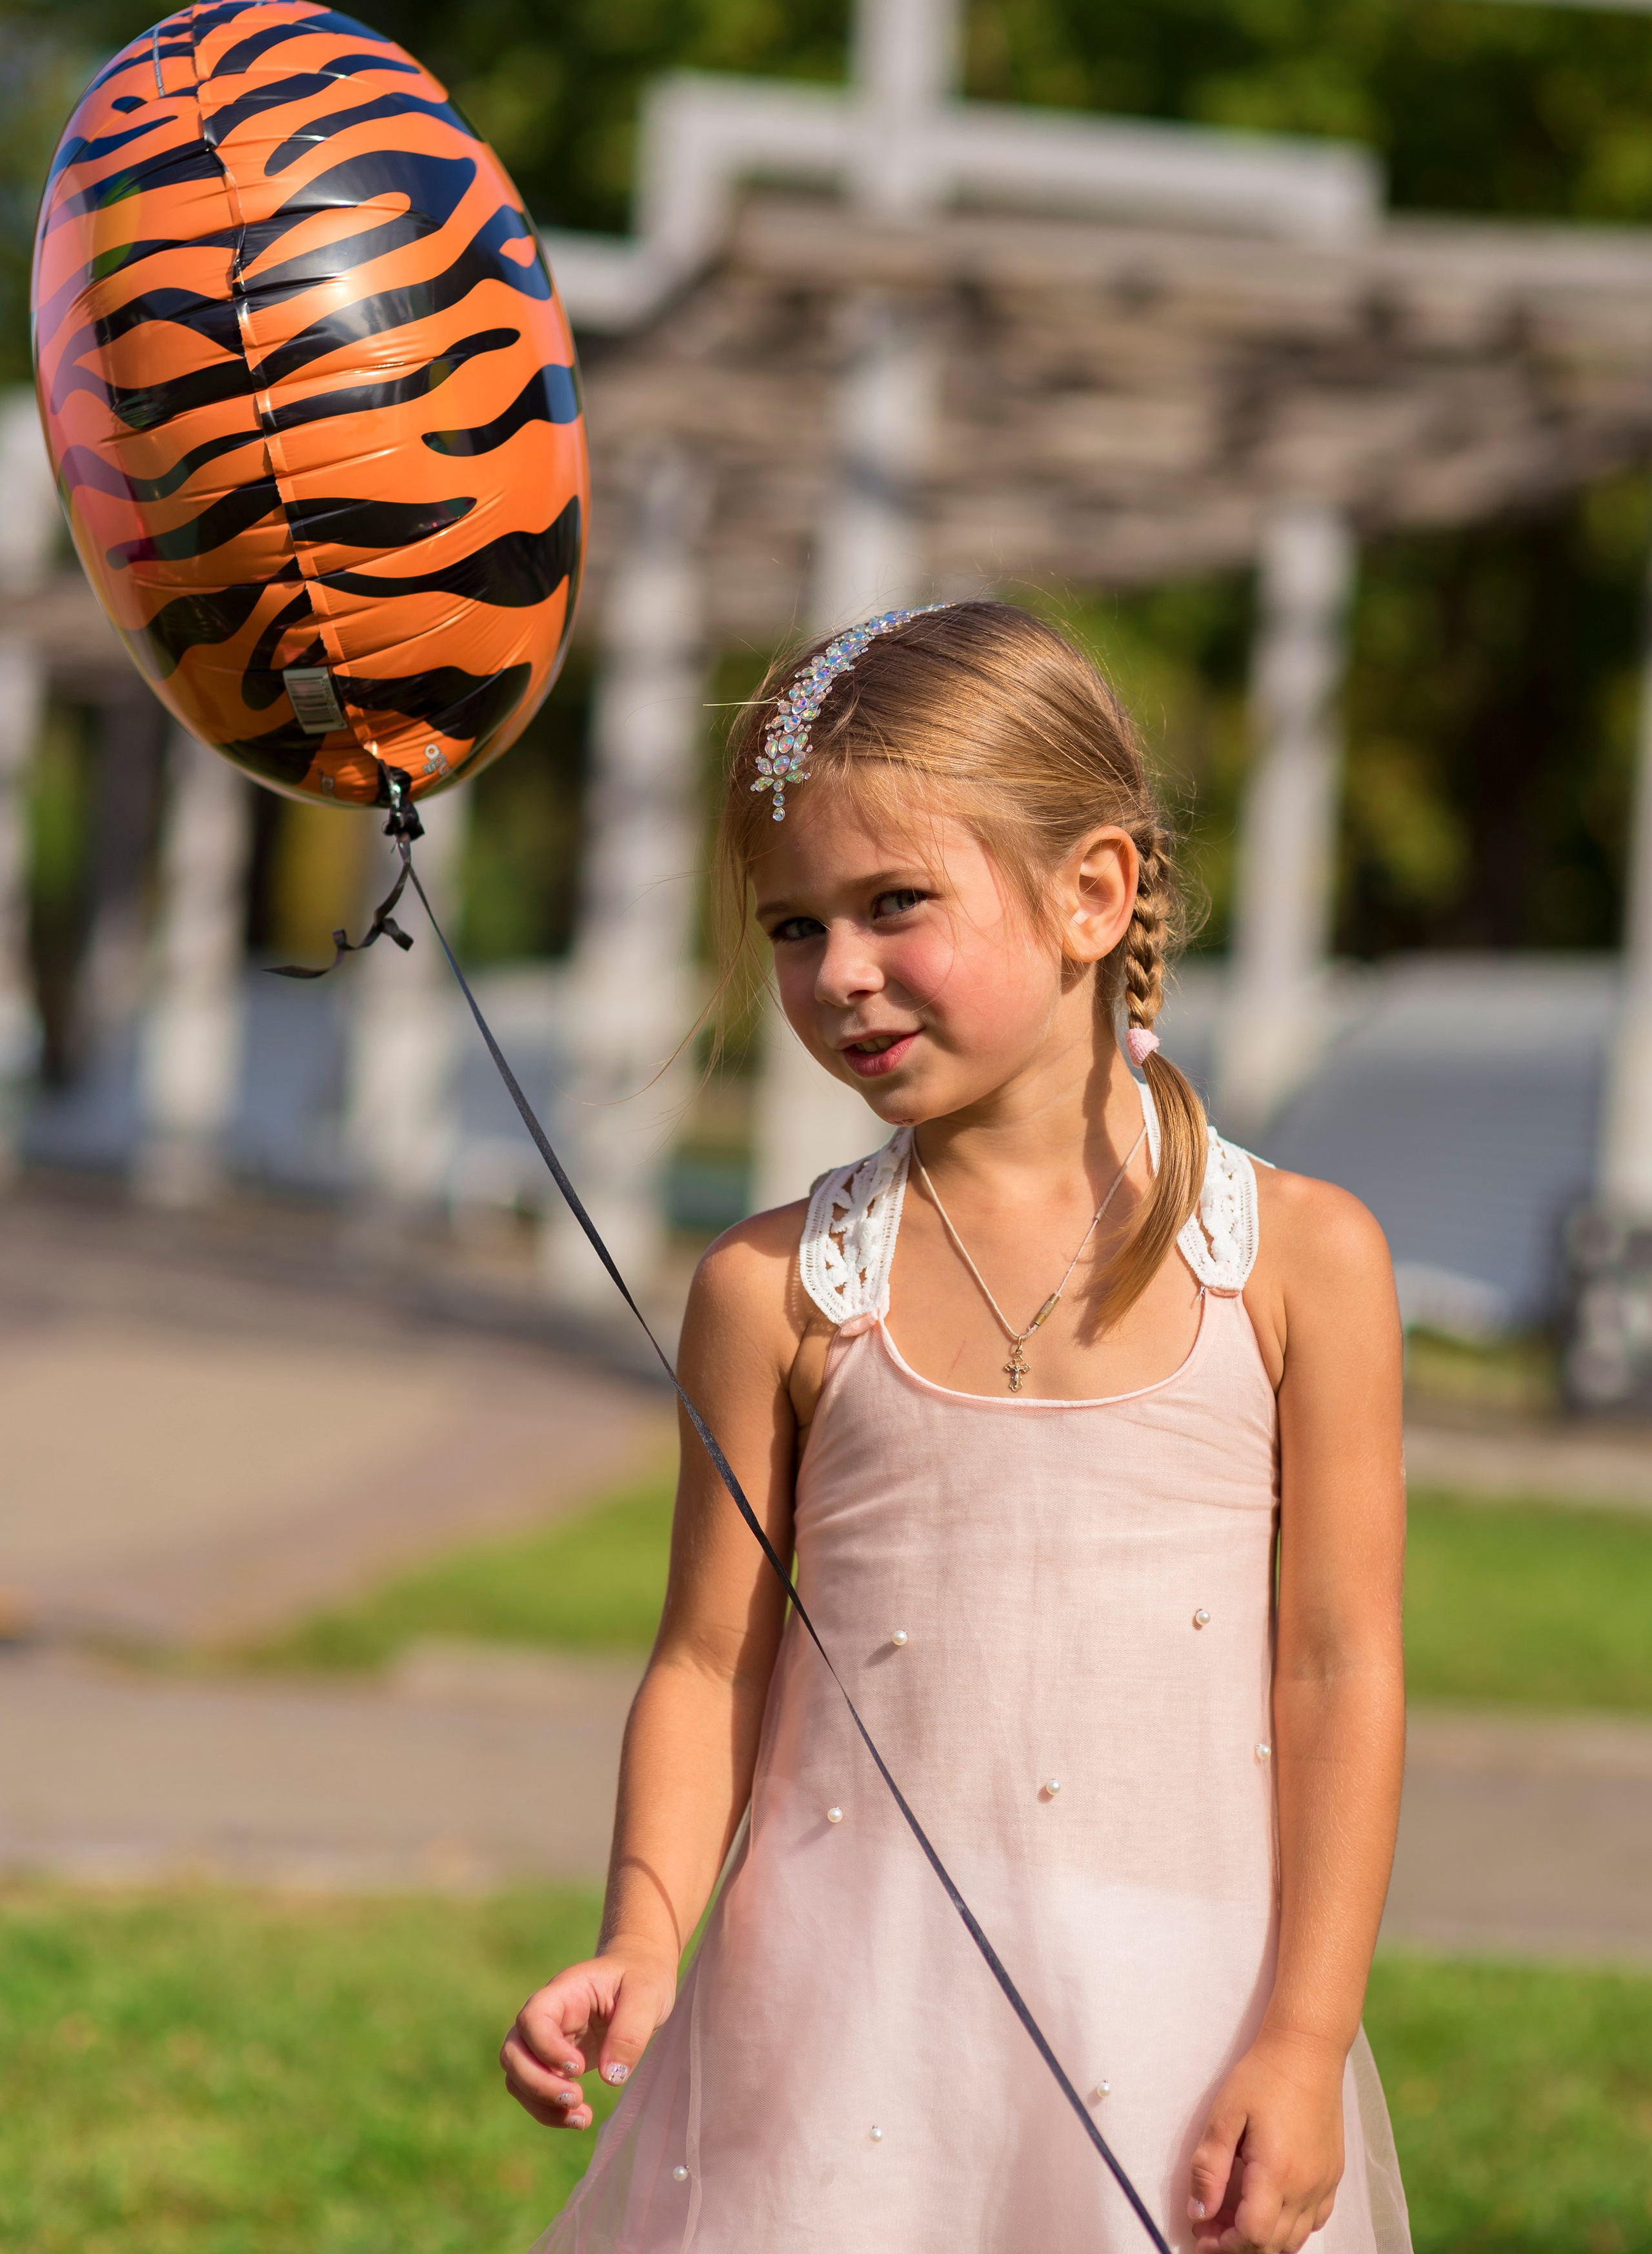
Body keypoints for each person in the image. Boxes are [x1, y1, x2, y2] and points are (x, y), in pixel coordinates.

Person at [503, 599, 1410, 2254]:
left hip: (1175, 2018)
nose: (837, 973)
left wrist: (1301, 2034)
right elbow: (706, 1665)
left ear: (1091, 895)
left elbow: (1338, 1666)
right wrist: (640, 1934)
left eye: (892, 904)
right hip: (837, 2021)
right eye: (792, 927)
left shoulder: (1298, 1263)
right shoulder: (776, 1288)